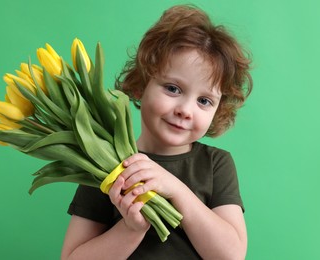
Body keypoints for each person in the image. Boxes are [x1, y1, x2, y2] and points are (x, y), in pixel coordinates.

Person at [61, 4, 253, 260]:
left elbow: (231, 256)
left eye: (204, 101)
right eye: (173, 88)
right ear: (141, 85)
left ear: (217, 111)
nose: (186, 110)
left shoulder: (216, 164)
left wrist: (175, 188)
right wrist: (130, 230)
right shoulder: (105, 163)